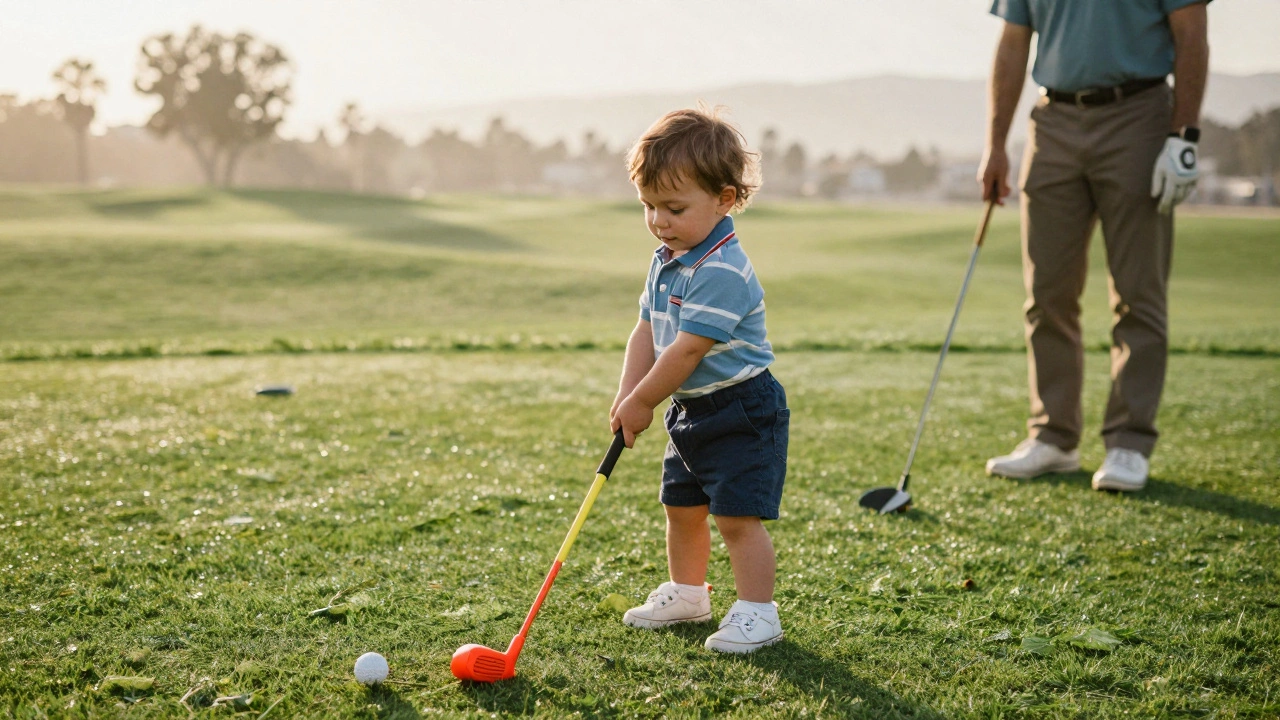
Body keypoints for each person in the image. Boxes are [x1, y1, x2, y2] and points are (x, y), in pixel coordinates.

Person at [979, 0, 1209, 492]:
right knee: (1047, 293)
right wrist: (996, 143)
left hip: (1139, 115)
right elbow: (1013, 44)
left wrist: (1183, 136)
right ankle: (1054, 438)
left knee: (1137, 290)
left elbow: (1191, 33)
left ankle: (1128, 442)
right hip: (1053, 120)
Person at [610, 107, 790, 654]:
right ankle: (689, 593)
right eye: (649, 206)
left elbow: (687, 349)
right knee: (681, 507)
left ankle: (759, 614)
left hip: (741, 409)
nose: (659, 220)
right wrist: (627, 394)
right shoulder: (667, 257)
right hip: (690, 409)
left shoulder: (722, 270)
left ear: (725, 199)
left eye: (674, 207)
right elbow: (647, 328)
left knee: (737, 518)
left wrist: (644, 400)